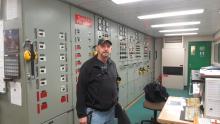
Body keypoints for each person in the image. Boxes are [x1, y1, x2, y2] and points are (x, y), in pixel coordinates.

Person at [76, 38, 120, 124]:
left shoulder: (112, 64)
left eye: (108, 46)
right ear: (97, 48)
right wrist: (81, 114)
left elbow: (116, 83)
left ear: (111, 49)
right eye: (103, 46)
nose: (106, 48)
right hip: (95, 113)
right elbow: (80, 90)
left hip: (111, 111)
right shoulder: (88, 66)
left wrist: (116, 101)